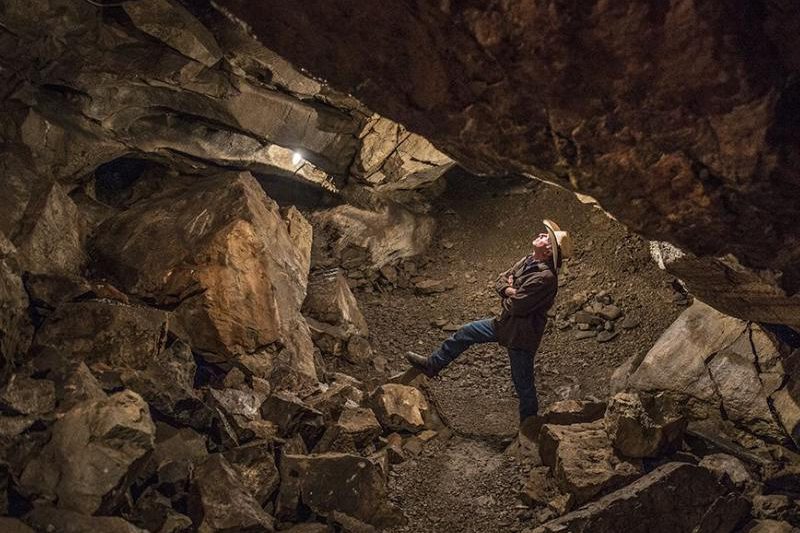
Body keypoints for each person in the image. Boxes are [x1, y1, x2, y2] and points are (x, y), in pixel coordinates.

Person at [406, 219, 573, 423]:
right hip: (505, 324)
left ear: (548, 251)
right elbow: (501, 279)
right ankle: (433, 364)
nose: (541, 234)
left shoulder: (546, 278)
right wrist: (510, 290)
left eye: (546, 237)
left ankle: (530, 426)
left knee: (523, 383)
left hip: (521, 334)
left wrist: (510, 293)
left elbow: (517, 306)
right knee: (467, 332)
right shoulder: (529, 259)